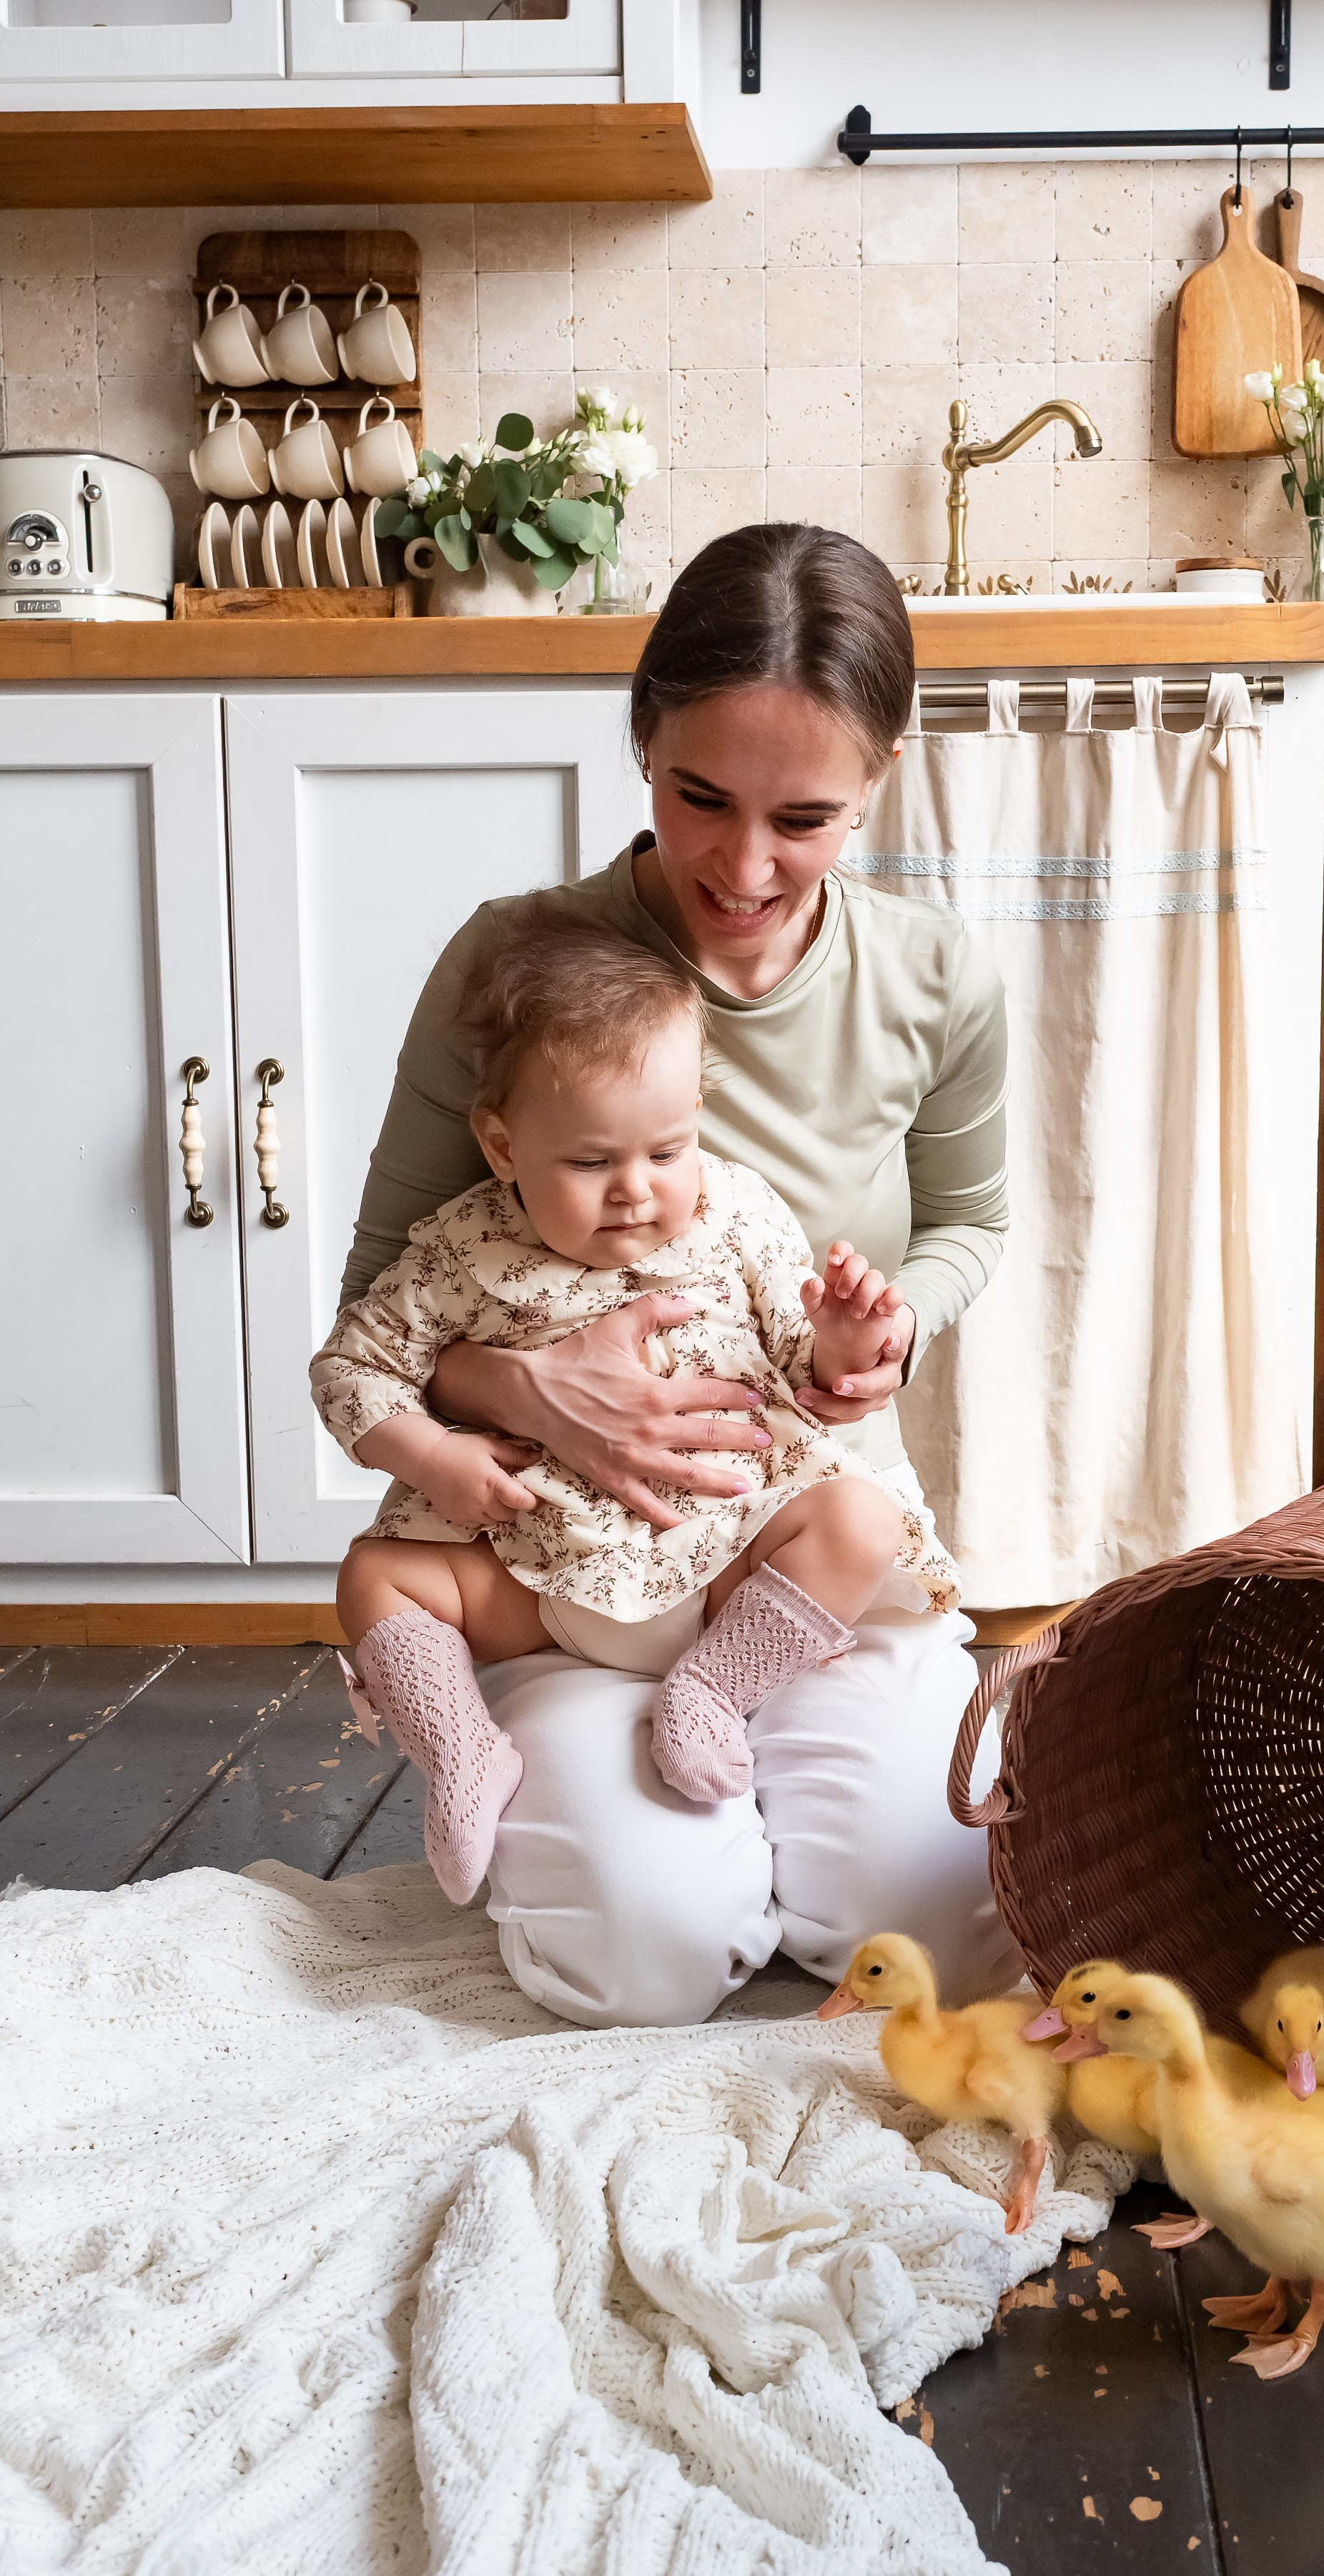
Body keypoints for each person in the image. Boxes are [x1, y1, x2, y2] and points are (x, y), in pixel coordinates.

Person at [339, 519, 1021, 2027]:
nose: (744, 866)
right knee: (640, 1960)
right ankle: (632, 1804)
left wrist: (891, 1333)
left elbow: (970, 1226)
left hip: (792, 1541)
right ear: (640, 736)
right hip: (566, 1557)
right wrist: (530, 1393)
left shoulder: (933, 979)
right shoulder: (512, 965)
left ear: (880, 775)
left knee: (929, 1940)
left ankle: (749, 1756)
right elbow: (382, 1296)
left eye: (806, 817)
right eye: (698, 795)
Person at [312, 915, 957, 1903]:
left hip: (726, 1564)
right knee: (374, 1574)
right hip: (539, 1577)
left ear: (696, 1114)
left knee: (858, 1520)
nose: (635, 1191)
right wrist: (432, 1458)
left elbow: (802, 1363)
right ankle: (463, 1751)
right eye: (589, 1162)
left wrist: (841, 1341)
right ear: (501, 1145)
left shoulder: (738, 1210)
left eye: (667, 1150)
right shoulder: (461, 1249)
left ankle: (715, 1689)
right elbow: (352, 1367)